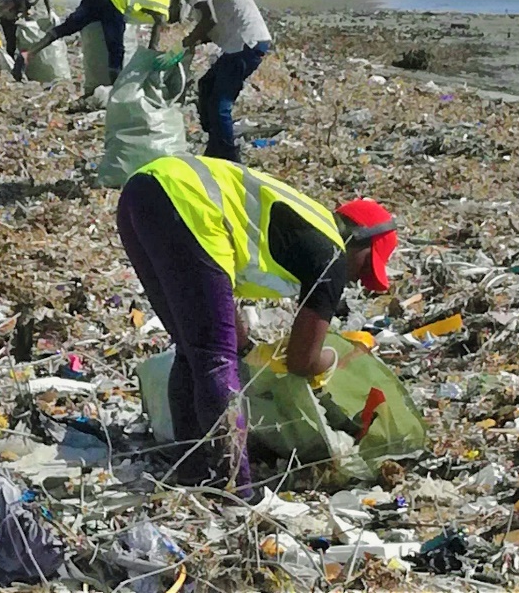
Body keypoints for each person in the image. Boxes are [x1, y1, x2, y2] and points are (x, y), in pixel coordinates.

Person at [118, 154, 397, 492]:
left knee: (192, 350)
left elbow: (213, 291)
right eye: (365, 269)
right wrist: (333, 359)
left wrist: (247, 345)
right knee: (214, 358)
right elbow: (301, 360)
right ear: (362, 241)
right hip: (186, 202)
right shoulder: (334, 257)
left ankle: (191, 473)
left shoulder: (307, 224)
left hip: (142, 190)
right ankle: (237, 490)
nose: (356, 280)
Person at [154, 0, 270, 160]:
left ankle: (228, 157)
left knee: (220, 103)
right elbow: (213, 25)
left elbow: (209, 19)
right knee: (206, 85)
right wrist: (190, 44)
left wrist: (185, 43)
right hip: (242, 42)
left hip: (246, 44)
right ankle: (216, 143)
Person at [25, 0, 170, 80]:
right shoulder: (164, 3)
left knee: (69, 26)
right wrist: (152, 52)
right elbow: (159, 23)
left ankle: (30, 52)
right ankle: (115, 90)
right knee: (116, 50)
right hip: (115, 0)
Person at [0, 0, 52, 80]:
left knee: (29, 37)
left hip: (18, 9)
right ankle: (11, 64)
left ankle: (26, 62)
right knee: (11, 42)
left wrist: (49, 13)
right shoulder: (4, 3)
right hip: (9, 18)